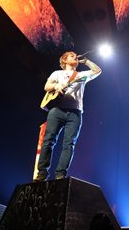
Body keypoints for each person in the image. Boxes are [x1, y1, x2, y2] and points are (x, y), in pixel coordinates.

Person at [33, 51, 101, 181]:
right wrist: (57, 85)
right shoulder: (57, 73)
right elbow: (47, 87)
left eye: (75, 55)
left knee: (69, 144)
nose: (75, 56)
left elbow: (97, 71)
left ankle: (60, 174)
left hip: (75, 113)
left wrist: (86, 61)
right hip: (57, 110)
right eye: (71, 55)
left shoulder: (81, 75)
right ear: (64, 60)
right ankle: (42, 173)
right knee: (49, 141)